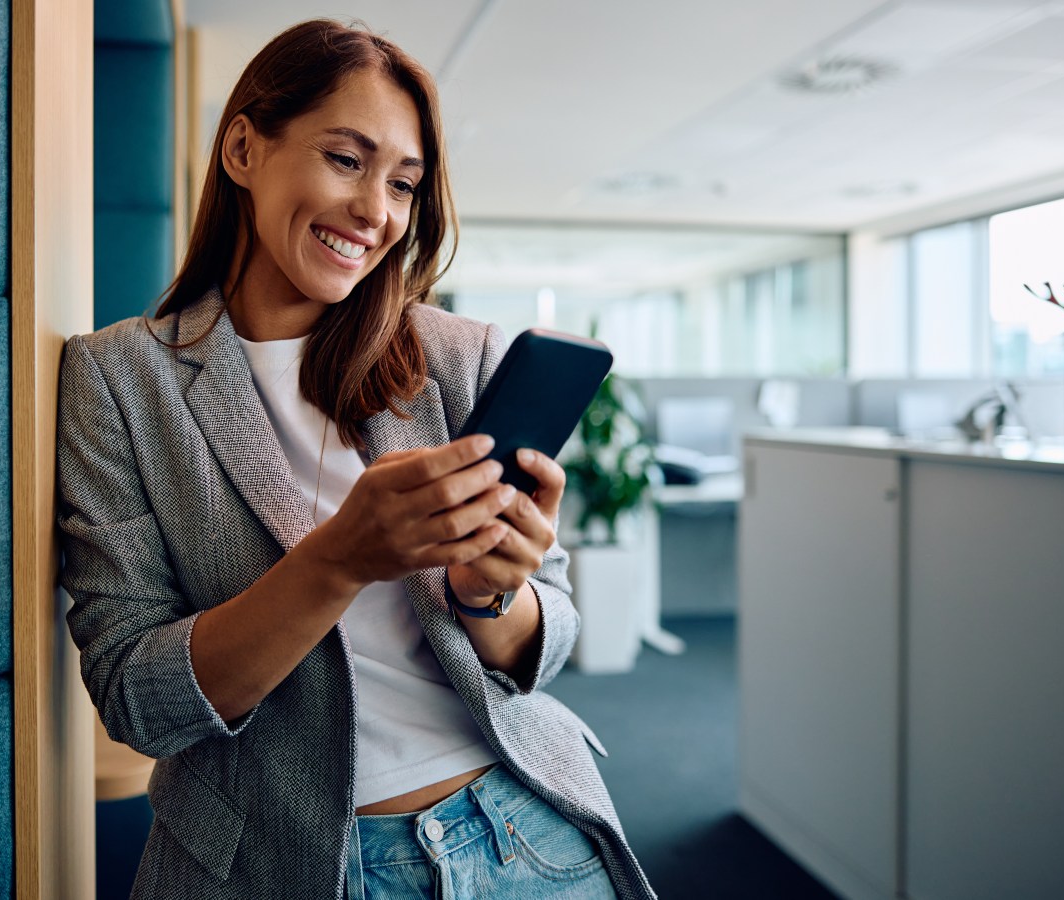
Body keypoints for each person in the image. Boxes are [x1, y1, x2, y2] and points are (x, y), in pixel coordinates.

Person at [57, 18, 654, 900]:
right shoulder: (118, 380)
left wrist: (492, 591)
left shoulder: (461, 358)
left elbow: (549, 636)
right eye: (346, 159)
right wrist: (337, 560)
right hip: (280, 864)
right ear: (243, 148)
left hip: (524, 836)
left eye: (404, 184)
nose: (377, 212)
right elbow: (139, 701)